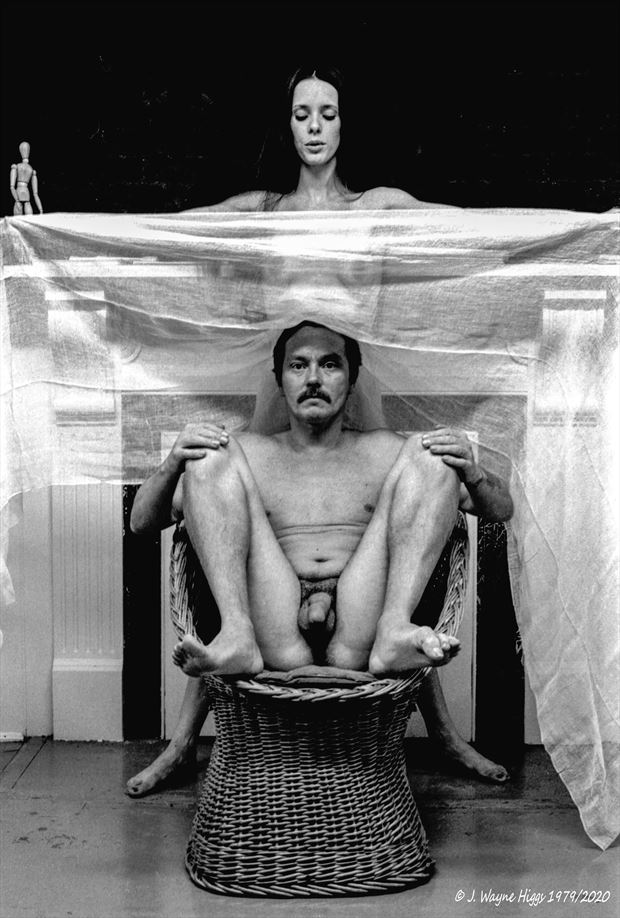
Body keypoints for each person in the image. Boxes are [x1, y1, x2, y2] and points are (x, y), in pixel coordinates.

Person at [126, 65, 512, 796]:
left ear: (343, 124)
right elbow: (172, 232)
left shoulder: (376, 207)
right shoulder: (263, 211)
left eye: (327, 113)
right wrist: (42, 220)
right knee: (221, 494)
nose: (314, 126)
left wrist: (579, 231)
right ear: (288, 124)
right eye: (301, 112)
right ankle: (184, 736)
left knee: (406, 496)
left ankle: (435, 715)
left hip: (353, 387)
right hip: (283, 392)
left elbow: (467, 227)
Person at [10, 142, 43, 215]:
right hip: (26, 192)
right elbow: (35, 194)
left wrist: (17, 199)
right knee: (28, 214)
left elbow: (12, 187)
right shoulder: (31, 169)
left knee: (18, 219)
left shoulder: (16, 166)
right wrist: (40, 209)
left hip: (18, 191)